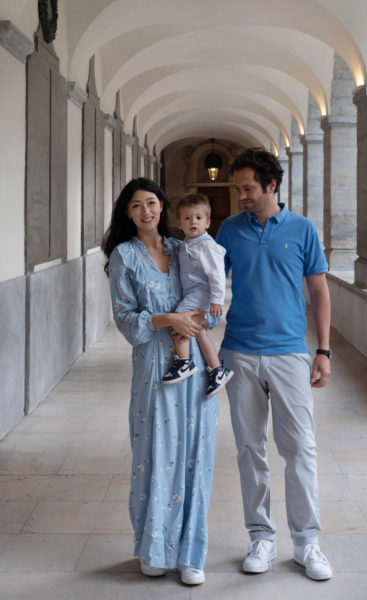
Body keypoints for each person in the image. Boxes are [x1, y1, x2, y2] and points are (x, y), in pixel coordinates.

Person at [216, 148, 333, 581]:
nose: (242, 195)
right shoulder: (229, 229)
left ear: (271, 185)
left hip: (289, 352)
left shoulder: (303, 229)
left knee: (300, 448)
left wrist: (323, 350)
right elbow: (211, 280)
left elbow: (319, 292)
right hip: (239, 350)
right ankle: (261, 537)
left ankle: (307, 543)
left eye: (248, 187)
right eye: (237, 188)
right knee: (250, 448)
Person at [102, 178, 218, 586]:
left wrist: (200, 318)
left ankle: (191, 554)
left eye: (151, 202)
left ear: (163, 206)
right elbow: (125, 319)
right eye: (136, 205)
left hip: (195, 366)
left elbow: (211, 300)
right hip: (154, 366)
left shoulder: (182, 247)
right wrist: (169, 319)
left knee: (195, 457)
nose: (146, 211)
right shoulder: (123, 256)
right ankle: (154, 547)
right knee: (155, 453)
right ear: (128, 213)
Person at [162, 193, 234, 397]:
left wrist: (216, 300)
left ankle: (184, 362)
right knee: (200, 332)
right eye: (187, 218)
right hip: (194, 292)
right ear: (179, 223)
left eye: (198, 218)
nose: (193, 221)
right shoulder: (187, 243)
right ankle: (217, 370)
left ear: (208, 222)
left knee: (178, 320)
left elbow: (218, 275)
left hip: (201, 293)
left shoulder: (206, 245)